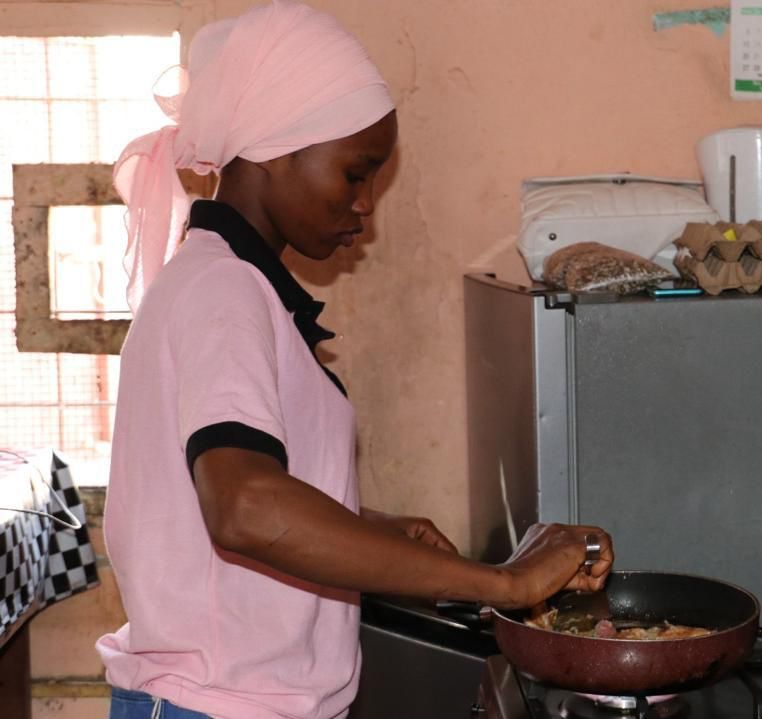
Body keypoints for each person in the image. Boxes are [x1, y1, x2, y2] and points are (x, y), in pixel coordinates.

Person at [95, 2, 614, 718]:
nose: (367, 205)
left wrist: (365, 526)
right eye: (355, 173)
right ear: (275, 148)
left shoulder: (234, 284)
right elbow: (245, 505)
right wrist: (505, 583)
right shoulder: (223, 289)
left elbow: (227, 492)